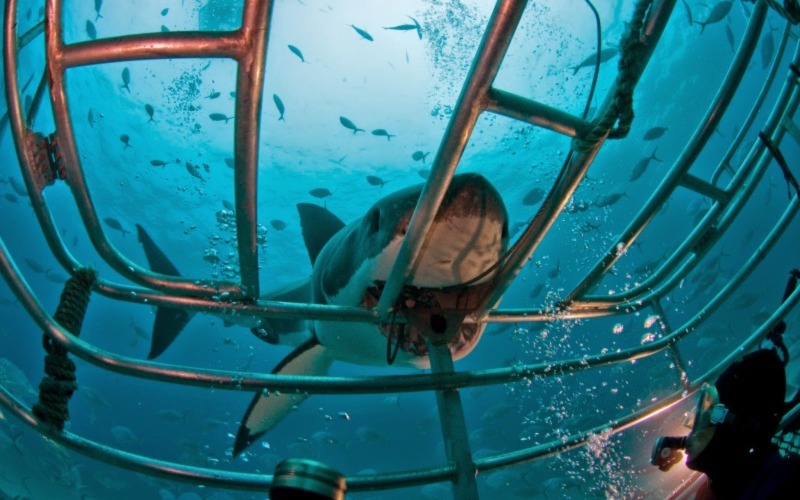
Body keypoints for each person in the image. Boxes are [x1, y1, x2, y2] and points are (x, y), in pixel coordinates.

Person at [653, 348, 800, 499]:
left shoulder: (786, 488)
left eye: (710, 414)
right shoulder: (716, 488)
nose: (695, 427)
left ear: (739, 429)